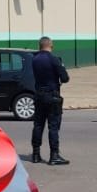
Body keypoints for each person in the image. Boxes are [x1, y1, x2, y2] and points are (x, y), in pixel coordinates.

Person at [31, 36, 70, 165]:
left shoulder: (34, 59)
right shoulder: (53, 59)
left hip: (38, 95)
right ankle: (54, 155)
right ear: (50, 45)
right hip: (52, 96)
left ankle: (36, 154)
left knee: (38, 125)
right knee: (53, 126)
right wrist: (61, 67)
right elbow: (65, 78)